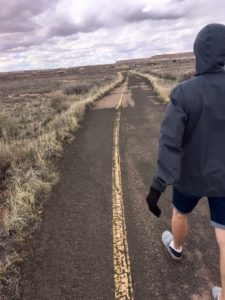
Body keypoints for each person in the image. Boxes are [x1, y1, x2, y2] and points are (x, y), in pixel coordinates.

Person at [145, 23, 225, 300]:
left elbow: (170, 141)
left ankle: (176, 247)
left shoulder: (183, 92)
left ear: (198, 53)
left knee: (179, 213)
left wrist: (158, 184)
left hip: (189, 176)